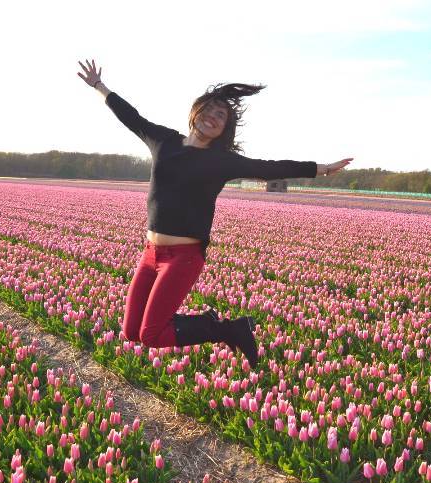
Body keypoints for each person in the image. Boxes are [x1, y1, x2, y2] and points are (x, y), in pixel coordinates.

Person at [77, 59, 352, 369]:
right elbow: (131, 117)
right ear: (197, 111)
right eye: (210, 109)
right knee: (131, 332)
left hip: (184, 257)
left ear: (224, 129)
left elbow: (270, 167)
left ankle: (223, 329)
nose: (213, 116)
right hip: (150, 253)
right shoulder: (165, 141)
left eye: (221, 116)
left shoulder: (221, 161)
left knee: (152, 334)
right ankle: (218, 326)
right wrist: (100, 87)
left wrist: (321, 169)